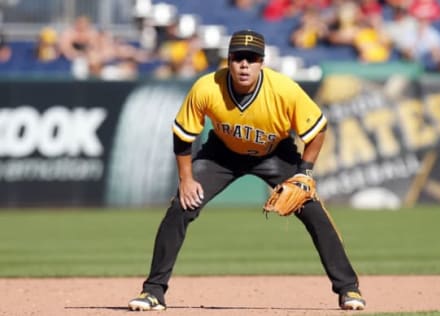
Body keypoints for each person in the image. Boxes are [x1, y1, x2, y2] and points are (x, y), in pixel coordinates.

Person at [128, 29, 366, 312]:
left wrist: (305, 171)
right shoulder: (207, 87)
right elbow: (182, 135)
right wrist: (186, 179)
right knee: (181, 206)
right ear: (228, 59)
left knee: (314, 213)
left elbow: (317, 129)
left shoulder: (283, 90)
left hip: (275, 152)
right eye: (238, 57)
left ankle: (348, 289)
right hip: (222, 155)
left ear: (262, 62)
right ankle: (153, 291)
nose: (244, 64)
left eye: (251, 58)